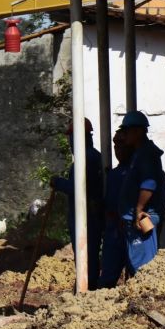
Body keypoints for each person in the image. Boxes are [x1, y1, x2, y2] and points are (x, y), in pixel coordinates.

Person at [50, 118, 104, 289]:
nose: (70, 143)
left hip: (86, 215)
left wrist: (58, 182)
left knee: (86, 253)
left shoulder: (85, 159)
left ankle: (88, 286)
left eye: (71, 138)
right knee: (90, 253)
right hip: (90, 213)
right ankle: (87, 283)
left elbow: (78, 188)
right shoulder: (95, 156)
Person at [118, 110, 165, 275]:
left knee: (143, 268)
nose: (124, 135)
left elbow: (149, 184)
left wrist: (139, 210)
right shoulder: (139, 153)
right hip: (134, 220)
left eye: (127, 131)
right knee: (135, 265)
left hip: (142, 219)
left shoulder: (146, 154)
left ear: (139, 131)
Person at [98, 127, 134, 288]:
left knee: (137, 272)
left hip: (131, 228)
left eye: (122, 145)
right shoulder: (113, 174)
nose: (118, 149)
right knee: (108, 274)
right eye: (116, 145)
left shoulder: (136, 173)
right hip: (113, 229)